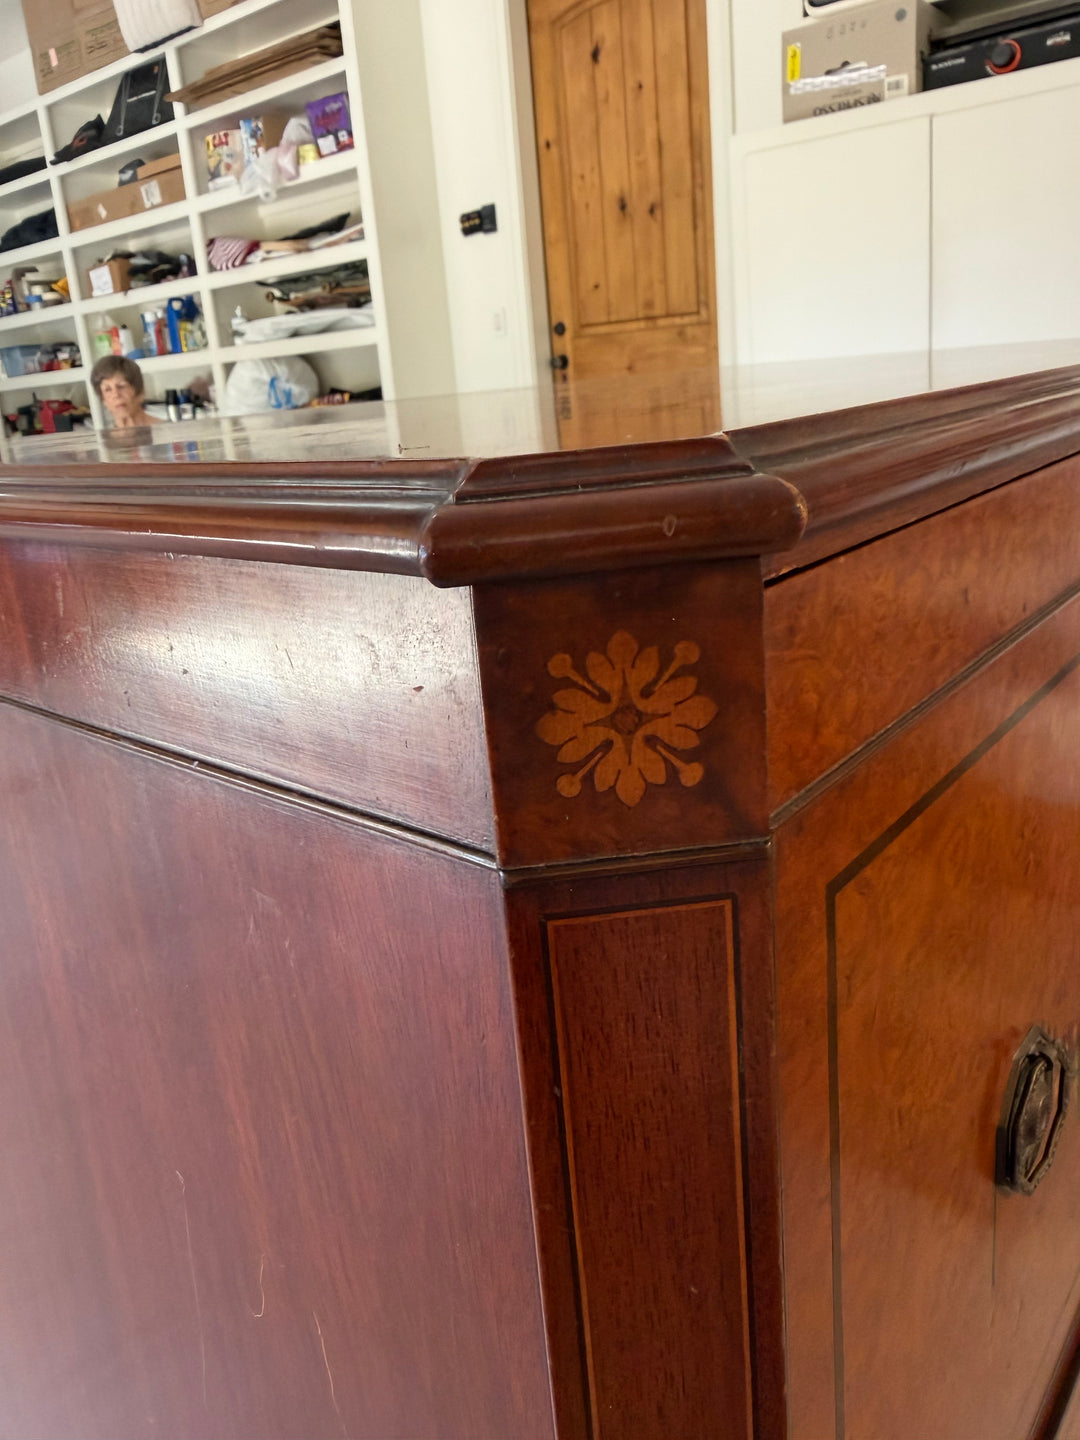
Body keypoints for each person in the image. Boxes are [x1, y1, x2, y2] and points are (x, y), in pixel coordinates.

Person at [90, 354, 161, 428]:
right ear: (103, 400)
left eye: (121, 386)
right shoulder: (104, 438)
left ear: (141, 392)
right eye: (108, 389)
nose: (116, 395)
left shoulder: (165, 432)